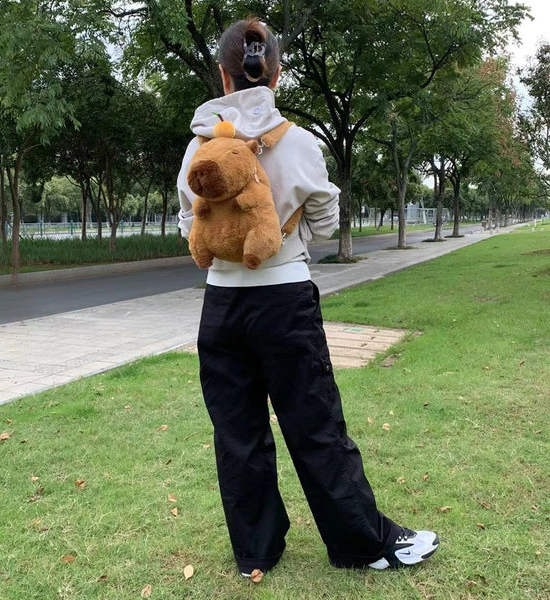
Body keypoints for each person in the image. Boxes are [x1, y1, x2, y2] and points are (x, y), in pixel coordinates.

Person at [177, 16, 439, 577]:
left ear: (224, 77)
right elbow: (324, 221)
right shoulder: (299, 142)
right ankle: (360, 545)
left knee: (237, 432)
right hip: (284, 299)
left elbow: (189, 225)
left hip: (220, 307)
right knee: (314, 424)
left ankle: (256, 552)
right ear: (276, 75)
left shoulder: (197, 149)